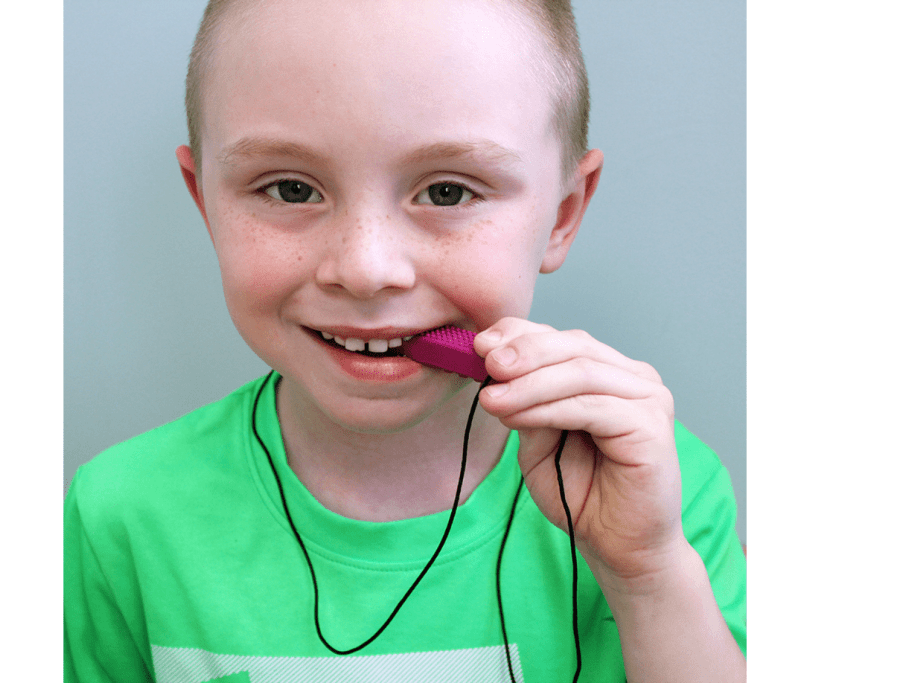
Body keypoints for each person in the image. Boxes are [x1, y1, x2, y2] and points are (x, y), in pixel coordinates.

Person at [64, 0, 747, 681]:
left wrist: (650, 575)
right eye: (292, 188)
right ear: (205, 201)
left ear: (563, 214)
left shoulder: (660, 496)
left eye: (448, 192)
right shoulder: (120, 515)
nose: (365, 270)